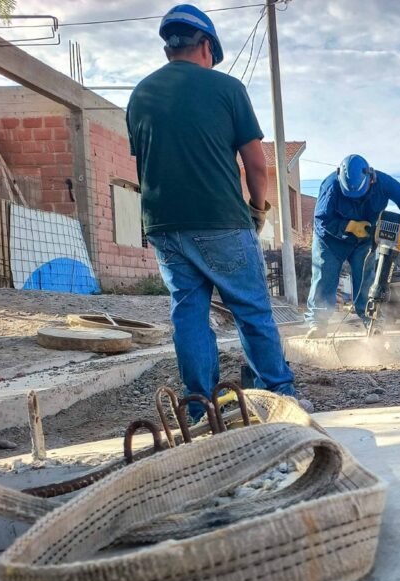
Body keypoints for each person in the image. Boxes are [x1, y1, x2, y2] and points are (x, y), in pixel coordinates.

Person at [127, 4, 298, 418]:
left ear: (169, 48)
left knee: (188, 313)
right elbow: (256, 165)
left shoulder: (140, 96)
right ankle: (279, 395)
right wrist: (258, 209)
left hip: (164, 225)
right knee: (251, 309)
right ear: (206, 46)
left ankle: (198, 408)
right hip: (221, 219)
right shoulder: (227, 89)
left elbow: (145, 164)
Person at [306, 154, 400, 336]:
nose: (355, 199)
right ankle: (318, 324)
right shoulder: (330, 185)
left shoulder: (383, 182)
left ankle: (373, 322)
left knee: (366, 280)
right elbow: (321, 220)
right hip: (330, 240)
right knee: (324, 277)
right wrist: (349, 226)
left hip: (364, 240)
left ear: (371, 177)